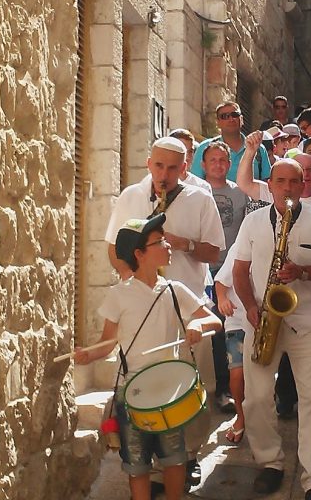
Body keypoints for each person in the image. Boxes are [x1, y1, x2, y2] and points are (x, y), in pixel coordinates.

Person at [105, 136, 227, 488]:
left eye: (173, 167)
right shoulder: (131, 196)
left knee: (195, 381)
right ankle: (157, 467)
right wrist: (133, 280)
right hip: (142, 307)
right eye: (159, 165)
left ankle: (189, 456)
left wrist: (181, 243)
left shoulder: (199, 198)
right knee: (148, 380)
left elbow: (214, 252)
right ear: (149, 164)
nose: (165, 173)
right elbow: (113, 248)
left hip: (186, 305)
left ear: (185, 167)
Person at [76, 214, 223, 500]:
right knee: (137, 464)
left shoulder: (174, 289)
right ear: (139, 253)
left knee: (174, 458)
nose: (168, 245)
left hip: (169, 391)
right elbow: (107, 344)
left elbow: (214, 321)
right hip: (132, 391)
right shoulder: (119, 295)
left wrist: (196, 324)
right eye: (161, 241)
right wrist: (86, 355)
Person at [231, 159, 311, 500]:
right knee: (257, 399)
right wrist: (251, 308)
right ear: (270, 184)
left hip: (309, 323)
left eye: (293, 181)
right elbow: (239, 271)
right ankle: (270, 462)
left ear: (302, 184)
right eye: (279, 181)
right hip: (263, 321)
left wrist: (304, 272)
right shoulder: (253, 222)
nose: (286, 188)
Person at [202, 140, 251, 412]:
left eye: (223, 160)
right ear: (204, 164)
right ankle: (216, 386)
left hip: (231, 270)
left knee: (227, 329)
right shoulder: (197, 190)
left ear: (229, 165)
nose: (218, 165)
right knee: (212, 330)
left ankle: (228, 389)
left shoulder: (240, 194)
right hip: (204, 269)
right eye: (213, 160)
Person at [237, 133, 311, 221]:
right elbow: (244, 183)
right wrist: (250, 152)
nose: (305, 174)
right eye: (300, 169)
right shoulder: (274, 192)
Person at [212, 254, 249, 444]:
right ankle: (241, 416)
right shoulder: (240, 246)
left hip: (265, 319)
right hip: (237, 320)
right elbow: (221, 281)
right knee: (237, 375)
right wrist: (221, 299)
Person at [190, 101, 272, 182]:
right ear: (218, 122)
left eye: (235, 115)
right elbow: (195, 182)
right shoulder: (205, 148)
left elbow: (267, 183)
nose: (231, 119)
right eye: (225, 116)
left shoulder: (258, 149)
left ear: (242, 119)